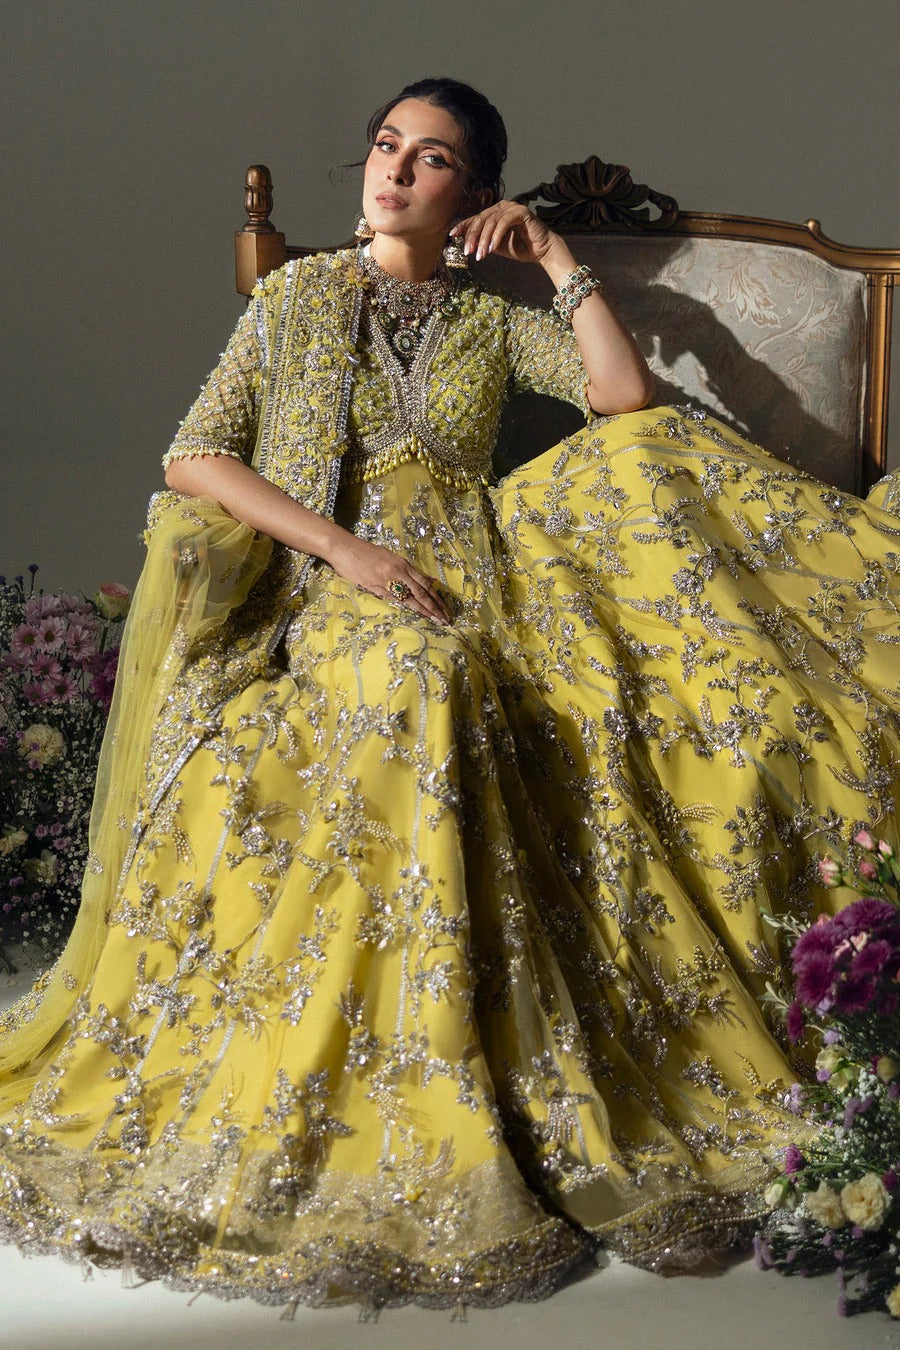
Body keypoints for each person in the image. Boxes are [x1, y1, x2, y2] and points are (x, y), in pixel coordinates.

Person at [0, 77, 897, 1313]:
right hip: (335, 587)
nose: (394, 171)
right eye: (385, 146)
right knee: (419, 675)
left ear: (473, 194)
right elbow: (194, 454)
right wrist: (345, 551)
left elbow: (623, 400)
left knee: (568, 577)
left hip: (479, 581)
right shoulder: (299, 298)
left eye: (430, 159)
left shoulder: (488, 322)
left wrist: (557, 256)